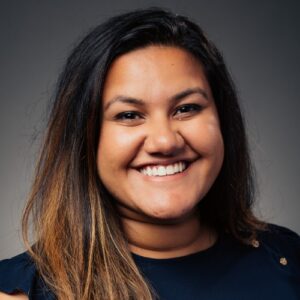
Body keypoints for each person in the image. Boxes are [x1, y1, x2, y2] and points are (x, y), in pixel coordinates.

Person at [0, 7, 299, 300]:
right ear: (85, 138)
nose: (164, 141)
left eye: (186, 108)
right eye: (129, 115)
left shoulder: (287, 259)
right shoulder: (19, 294)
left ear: (222, 118)